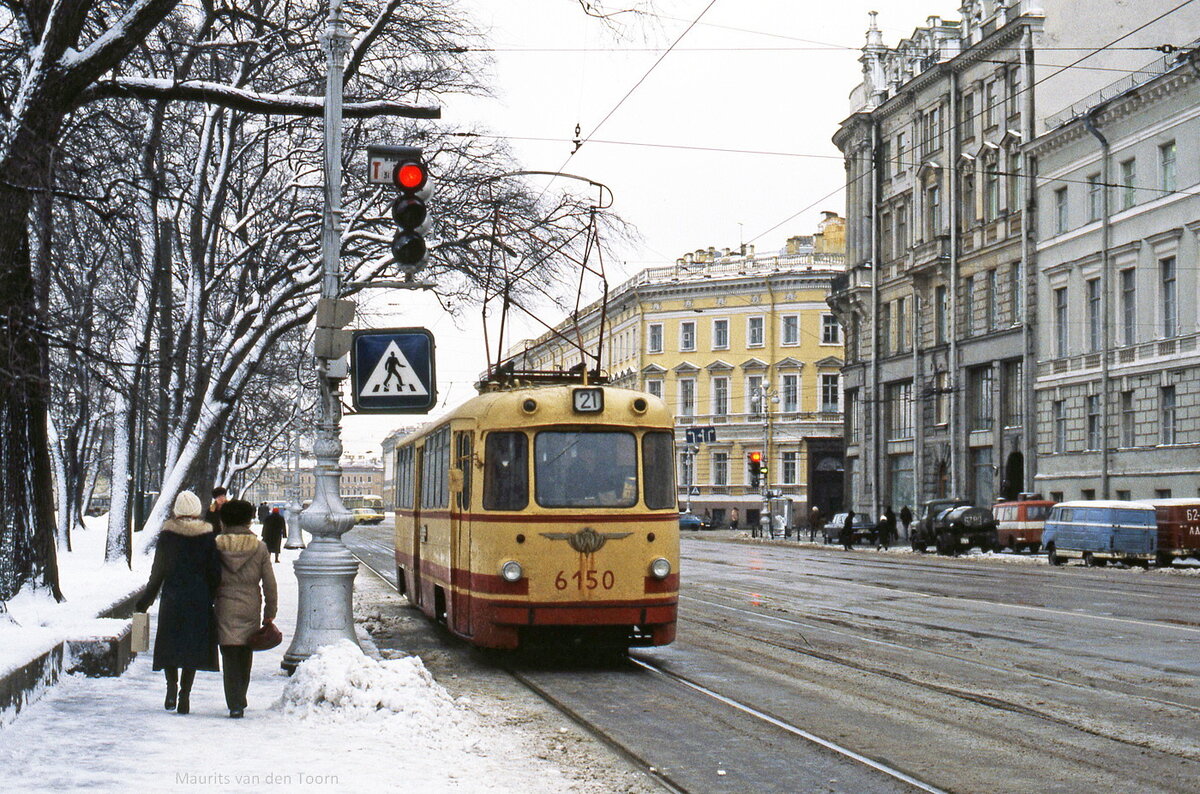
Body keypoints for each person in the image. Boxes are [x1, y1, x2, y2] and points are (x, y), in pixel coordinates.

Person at [134, 491, 220, 715]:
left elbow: (158, 572)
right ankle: (185, 694)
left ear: (177, 510)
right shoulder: (207, 536)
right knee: (192, 648)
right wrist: (211, 596)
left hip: (173, 598)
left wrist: (145, 601)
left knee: (170, 644)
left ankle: (171, 686)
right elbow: (215, 572)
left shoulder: (168, 536)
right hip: (199, 599)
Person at [214, 499, 278, 718]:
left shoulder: (215, 545)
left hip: (223, 604)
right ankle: (240, 696)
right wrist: (270, 613)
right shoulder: (259, 547)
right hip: (250, 605)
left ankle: (234, 702)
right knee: (245, 652)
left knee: (229, 653)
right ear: (249, 520)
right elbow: (269, 583)